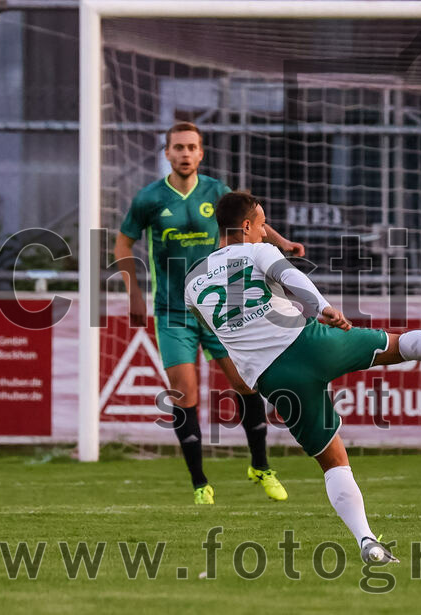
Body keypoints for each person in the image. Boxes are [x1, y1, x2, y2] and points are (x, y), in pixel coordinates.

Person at [184, 191, 421, 561]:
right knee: (397, 345)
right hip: (309, 342)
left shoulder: (192, 281)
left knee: (333, 461)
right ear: (246, 227)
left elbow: (213, 332)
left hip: (273, 378)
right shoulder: (259, 251)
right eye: (261, 226)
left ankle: (366, 540)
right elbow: (293, 277)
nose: (264, 234)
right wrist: (323, 308)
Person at [115, 122, 303, 504]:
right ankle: (201, 484)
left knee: (247, 384)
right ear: (167, 153)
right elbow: (124, 240)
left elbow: (253, 220)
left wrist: (282, 242)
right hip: (172, 311)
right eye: (178, 147)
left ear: (201, 153)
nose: (185, 153)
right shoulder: (150, 198)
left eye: (192, 147)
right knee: (184, 393)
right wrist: (132, 290)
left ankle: (261, 467)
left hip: (220, 307)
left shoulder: (217, 192)